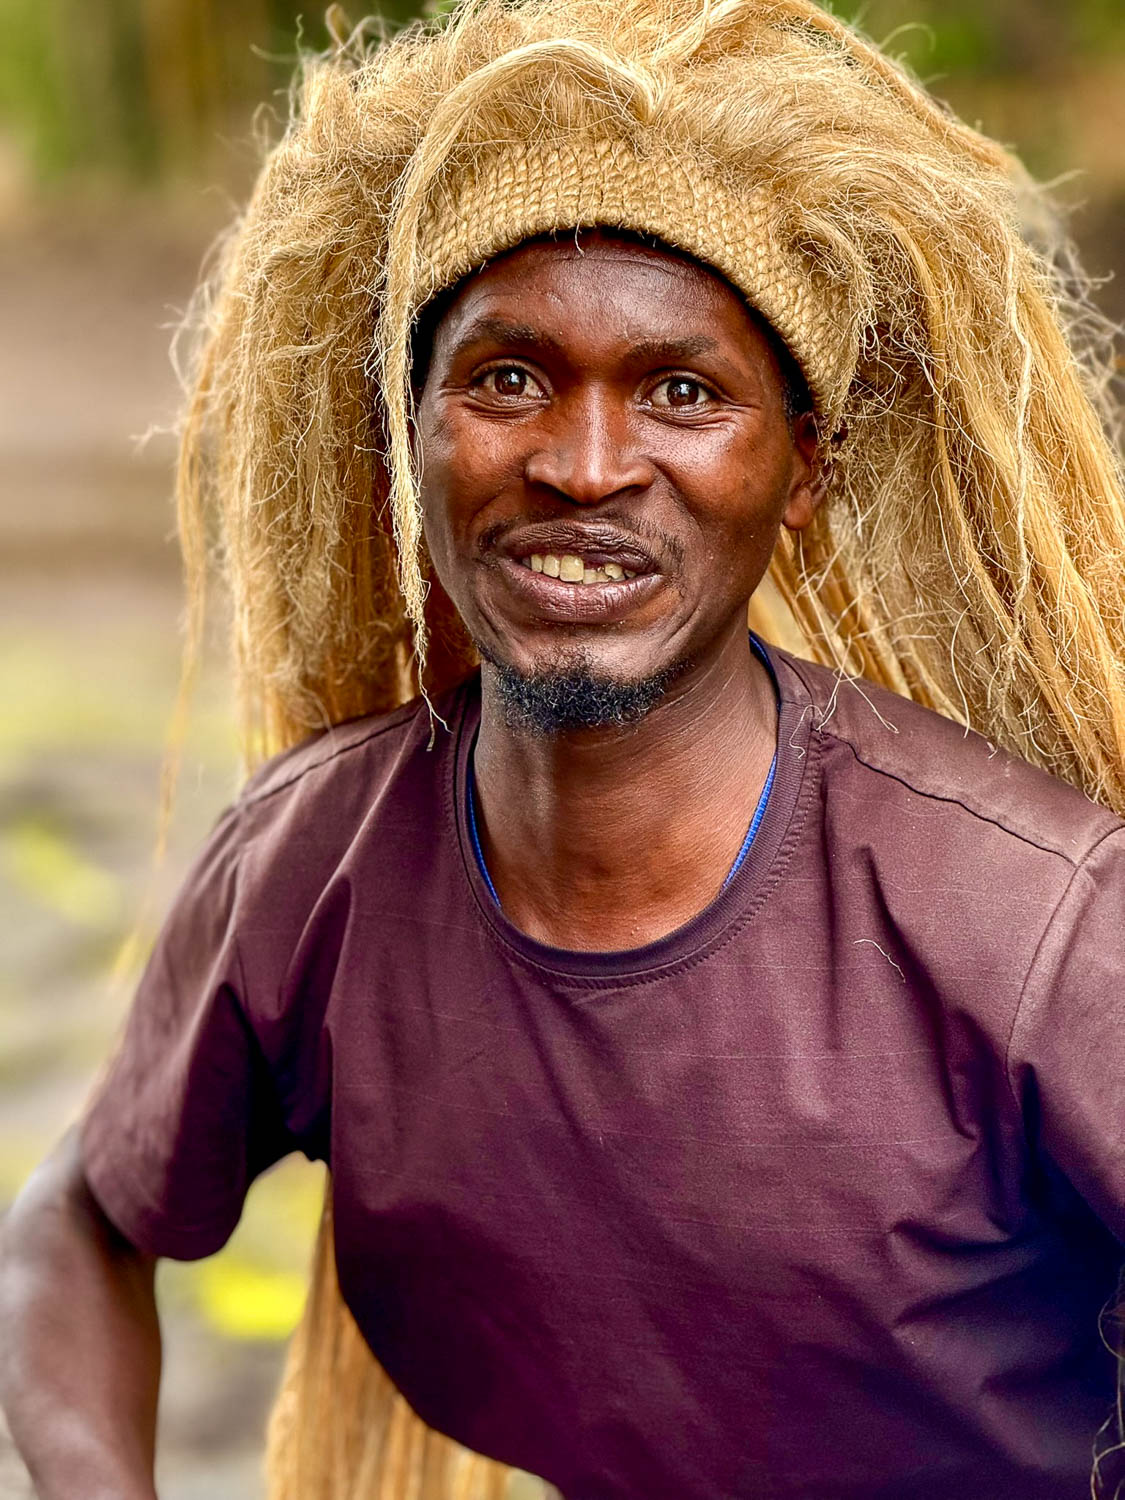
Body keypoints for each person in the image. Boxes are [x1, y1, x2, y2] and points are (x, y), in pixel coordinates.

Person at [2, 1, 1124, 1496]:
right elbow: (75, 1218)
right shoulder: (313, 868)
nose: (583, 467)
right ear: (409, 429)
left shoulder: (1033, 929)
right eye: (508, 378)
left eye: (682, 392)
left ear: (802, 472)